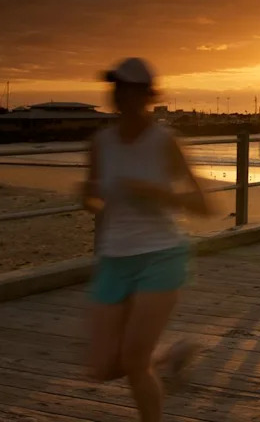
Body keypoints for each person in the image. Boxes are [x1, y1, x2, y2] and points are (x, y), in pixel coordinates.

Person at [82, 57, 209, 422]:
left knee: (136, 364)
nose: (119, 94)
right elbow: (96, 201)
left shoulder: (164, 141)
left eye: (128, 88)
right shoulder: (99, 143)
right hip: (114, 258)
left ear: (146, 95)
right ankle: (170, 355)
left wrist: (157, 193)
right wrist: (88, 197)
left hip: (161, 255)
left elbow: (204, 203)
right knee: (102, 367)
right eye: (116, 87)